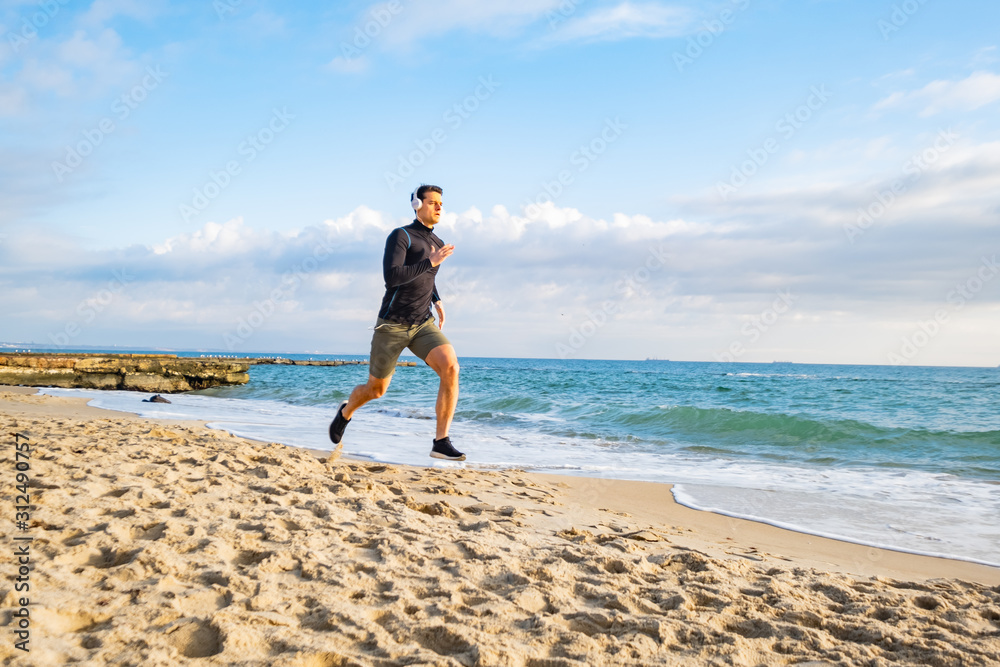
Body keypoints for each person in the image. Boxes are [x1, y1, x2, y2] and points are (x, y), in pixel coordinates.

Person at [328, 184, 465, 461]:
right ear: (417, 204)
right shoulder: (401, 236)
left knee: (451, 366)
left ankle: (441, 441)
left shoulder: (437, 244)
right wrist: (430, 261)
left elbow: (427, 278)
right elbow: (393, 277)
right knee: (376, 390)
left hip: (422, 323)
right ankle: (346, 412)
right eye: (433, 202)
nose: (439, 207)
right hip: (392, 324)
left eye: (442, 203)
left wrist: (436, 299)